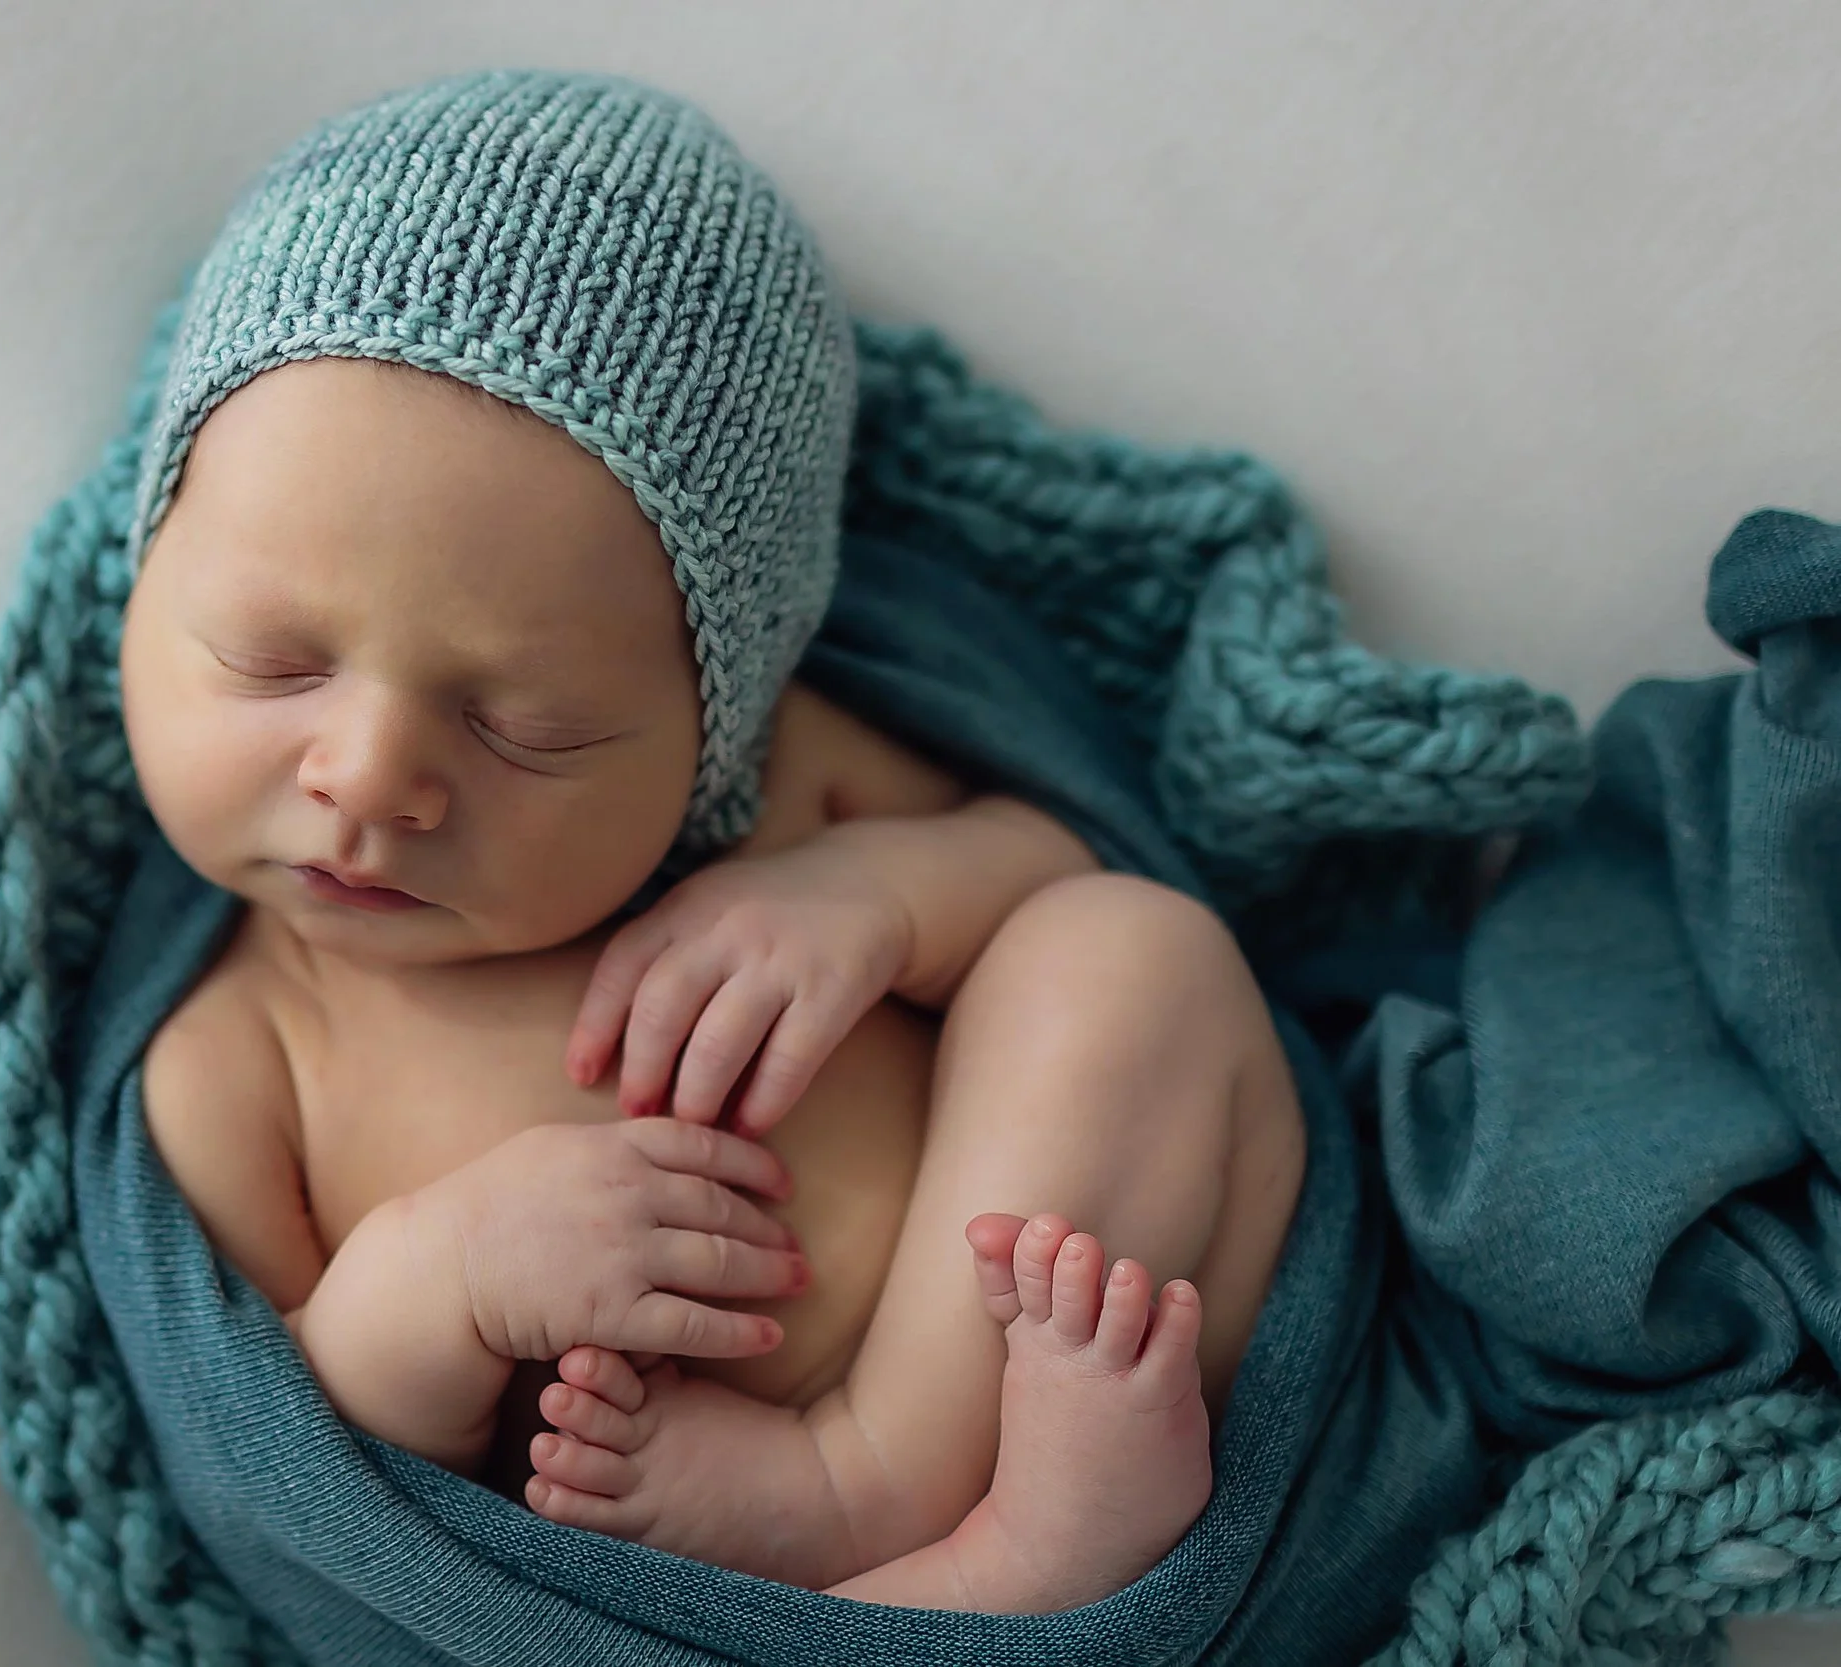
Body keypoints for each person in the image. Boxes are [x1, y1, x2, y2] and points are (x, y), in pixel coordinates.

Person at [111, 68, 1306, 1612]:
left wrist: (872, 897)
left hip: (1044, 1357)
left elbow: (1041, 863)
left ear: (712, 721)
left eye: (525, 725)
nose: (368, 777)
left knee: (1133, 950)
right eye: (273, 662)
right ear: (143, 589)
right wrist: (436, 1281)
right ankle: (967, 1586)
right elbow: (292, 1469)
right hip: (643, 1527)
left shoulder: (793, 786)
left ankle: (927, 1507)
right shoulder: (233, 1059)